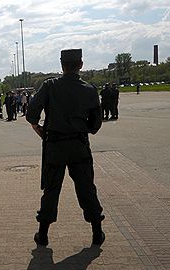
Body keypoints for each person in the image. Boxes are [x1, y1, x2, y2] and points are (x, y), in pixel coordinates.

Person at [26, 48, 105, 247]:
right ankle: (97, 232)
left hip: (55, 146)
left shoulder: (50, 86)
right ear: (81, 65)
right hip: (79, 145)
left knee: (52, 190)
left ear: (62, 66)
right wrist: (80, 129)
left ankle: (42, 234)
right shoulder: (89, 89)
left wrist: (39, 129)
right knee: (86, 188)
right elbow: (95, 125)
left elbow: (32, 112)